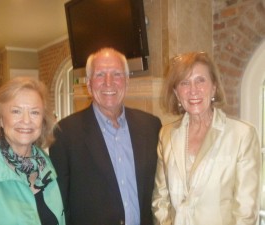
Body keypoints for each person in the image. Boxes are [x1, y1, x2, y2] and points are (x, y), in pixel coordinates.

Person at [49, 47, 162, 225]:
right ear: (88, 84)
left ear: (126, 81)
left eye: (116, 74)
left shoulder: (151, 126)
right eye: (100, 74)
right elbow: (59, 204)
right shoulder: (65, 133)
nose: (108, 82)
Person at [151, 52, 261, 225]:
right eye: (184, 83)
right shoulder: (166, 135)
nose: (193, 90)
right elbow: (160, 200)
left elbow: (245, 213)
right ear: (176, 93)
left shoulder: (242, 136)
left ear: (214, 87)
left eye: (200, 80)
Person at [0, 77, 66, 225]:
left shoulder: (48, 167)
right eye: (16, 111)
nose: (26, 120)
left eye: (35, 112)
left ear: (43, 120)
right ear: (0, 119)